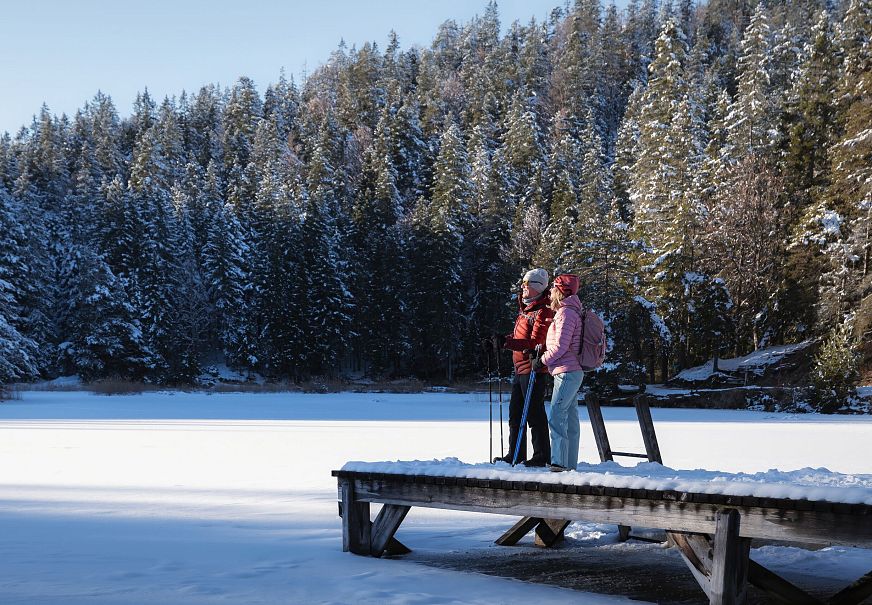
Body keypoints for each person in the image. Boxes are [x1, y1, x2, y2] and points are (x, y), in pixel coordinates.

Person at [496, 268, 554, 467]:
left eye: (527, 284)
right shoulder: (525, 310)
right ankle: (515, 454)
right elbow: (520, 338)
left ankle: (541, 455)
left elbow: (537, 341)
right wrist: (501, 340)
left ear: (537, 287)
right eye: (523, 284)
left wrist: (507, 344)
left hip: (534, 369)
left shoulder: (544, 309)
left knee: (534, 414)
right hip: (520, 369)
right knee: (515, 413)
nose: (523, 287)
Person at [538, 273, 584, 472]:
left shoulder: (566, 313)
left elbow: (561, 347)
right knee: (570, 418)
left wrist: (541, 360)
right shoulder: (570, 312)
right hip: (570, 371)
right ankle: (569, 464)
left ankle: (559, 462)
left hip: (567, 371)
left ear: (562, 291)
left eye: (554, 287)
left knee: (557, 414)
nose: (550, 292)